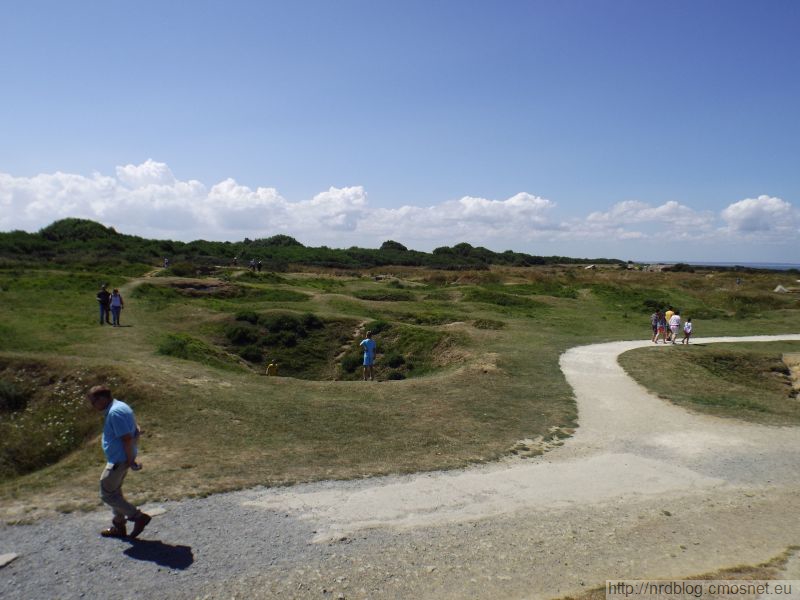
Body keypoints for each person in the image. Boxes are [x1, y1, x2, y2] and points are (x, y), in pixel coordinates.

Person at [87, 385, 151, 539]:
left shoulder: (115, 413)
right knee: (115, 492)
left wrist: (130, 461)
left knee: (107, 495)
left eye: (93, 401)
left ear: (102, 399)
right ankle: (119, 525)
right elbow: (136, 428)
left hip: (118, 461)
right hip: (121, 459)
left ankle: (138, 516)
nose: (92, 406)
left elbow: (127, 438)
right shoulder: (121, 406)